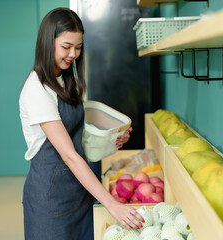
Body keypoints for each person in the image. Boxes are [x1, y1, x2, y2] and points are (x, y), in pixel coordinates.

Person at [19, 8, 144, 240]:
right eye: (66, 47)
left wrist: (109, 141)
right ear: (48, 42)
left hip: (78, 189)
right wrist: (111, 203)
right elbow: (69, 155)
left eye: (78, 47)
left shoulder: (65, 78)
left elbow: (79, 134)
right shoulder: (38, 89)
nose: (73, 54)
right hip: (51, 199)